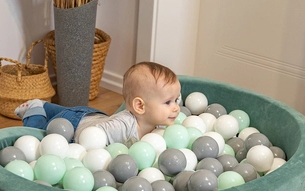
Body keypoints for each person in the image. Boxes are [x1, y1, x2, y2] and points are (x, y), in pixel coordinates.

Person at [15, 61, 181, 147]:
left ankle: (46, 106)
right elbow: (89, 137)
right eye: (168, 102)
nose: (176, 107)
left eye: (176, 100)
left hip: (92, 115)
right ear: (140, 106)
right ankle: (34, 109)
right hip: (73, 126)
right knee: (38, 136)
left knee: (69, 111)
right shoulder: (122, 127)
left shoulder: (158, 124)